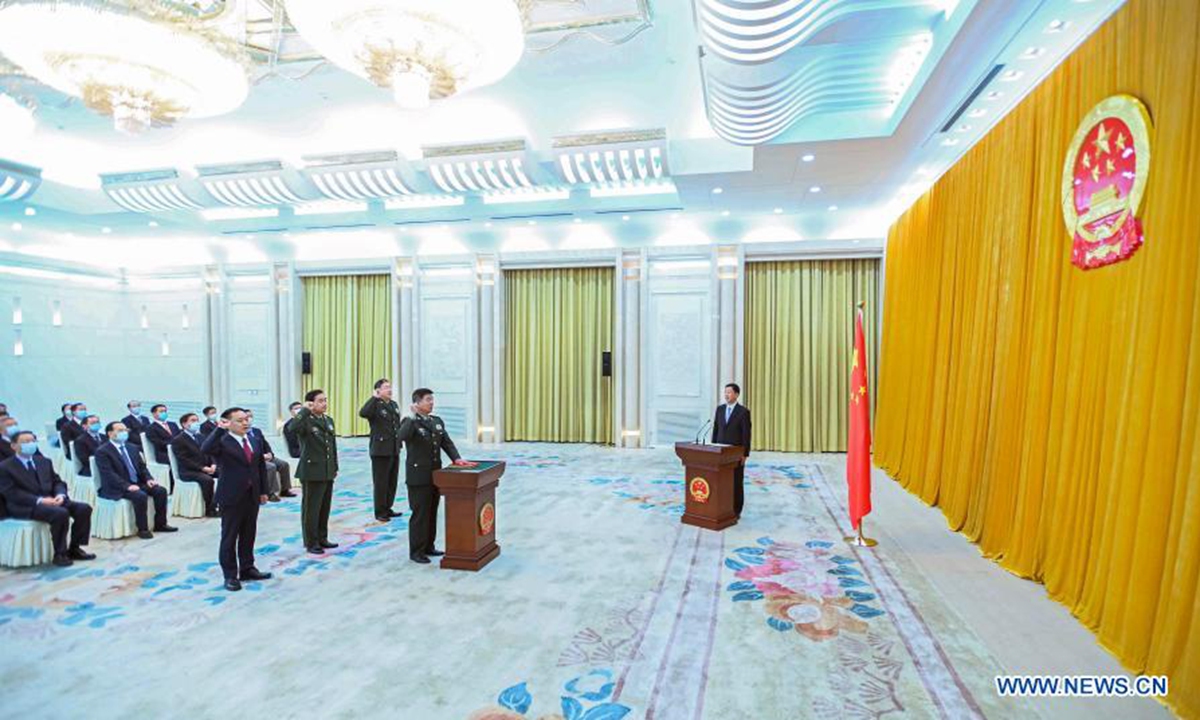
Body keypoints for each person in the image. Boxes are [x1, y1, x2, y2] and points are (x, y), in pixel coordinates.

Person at [398, 388, 474, 564]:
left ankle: (429, 546)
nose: (431, 402)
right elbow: (400, 437)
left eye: (432, 399)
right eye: (427, 400)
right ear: (416, 403)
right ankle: (416, 551)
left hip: (435, 475)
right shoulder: (410, 422)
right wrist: (411, 416)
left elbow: (446, 442)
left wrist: (457, 459)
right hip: (418, 477)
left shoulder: (436, 421)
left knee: (432, 512)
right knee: (420, 514)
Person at [201, 408, 272, 592]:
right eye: (240, 420)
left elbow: (260, 468)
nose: (246, 423)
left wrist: (264, 490)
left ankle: (247, 568)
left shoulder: (254, 440)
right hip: (231, 495)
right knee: (230, 536)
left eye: (247, 419)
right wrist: (219, 429)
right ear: (229, 423)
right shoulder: (223, 441)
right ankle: (230, 575)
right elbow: (206, 449)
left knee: (249, 534)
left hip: (252, 495)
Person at [0, 431, 95, 566]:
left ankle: (75, 548)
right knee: (60, 514)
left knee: (83, 509)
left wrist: (60, 495)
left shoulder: (43, 461)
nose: (31, 444)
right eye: (26, 442)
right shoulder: (5, 467)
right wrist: (40, 501)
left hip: (52, 500)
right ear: (14, 446)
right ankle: (60, 553)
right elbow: (11, 493)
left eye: (33, 441)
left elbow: (57, 482)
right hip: (25, 505)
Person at [95, 421, 177, 539]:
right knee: (140, 495)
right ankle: (142, 529)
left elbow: (142, 467)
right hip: (117, 486)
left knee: (161, 491)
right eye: (120, 431)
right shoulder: (103, 451)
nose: (124, 433)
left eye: (125, 430)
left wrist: (149, 479)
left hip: (136, 482)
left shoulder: (132, 447)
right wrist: (126, 486)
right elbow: (108, 474)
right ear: (110, 433)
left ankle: (161, 524)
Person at [292, 390, 338, 554]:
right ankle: (311, 542)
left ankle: (322, 537)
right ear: (310, 403)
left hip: (327, 469)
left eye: (325, 400)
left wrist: (335, 466)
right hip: (311, 470)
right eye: (320, 401)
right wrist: (304, 410)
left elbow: (332, 446)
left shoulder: (328, 420)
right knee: (311, 509)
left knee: (324, 507)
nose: (324, 403)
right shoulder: (305, 420)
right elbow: (292, 428)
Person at [359, 379, 405, 522]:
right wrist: (374, 398)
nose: (389, 390)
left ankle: (388, 507)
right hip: (380, 449)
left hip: (394, 448)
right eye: (386, 387)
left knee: (392, 481)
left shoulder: (393, 405)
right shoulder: (375, 405)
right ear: (378, 390)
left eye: (390, 387)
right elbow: (363, 413)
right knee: (381, 482)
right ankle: (380, 511)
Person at [712, 382, 752, 516]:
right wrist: (712, 448)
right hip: (720, 452)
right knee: (721, 481)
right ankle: (722, 507)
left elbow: (746, 434)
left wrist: (744, 454)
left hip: (735, 453)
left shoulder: (743, 412)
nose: (726, 395)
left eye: (729, 392)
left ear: (736, 394)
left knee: (736, 482)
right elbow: (716, 429)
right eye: (725, 392)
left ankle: (736, 510)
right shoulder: (720, 409)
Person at [170, 413, 218, 517]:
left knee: (227, 473)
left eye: (197, 420)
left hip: (206, 467)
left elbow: (210, 452)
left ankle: (224, 503)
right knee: (208, 480)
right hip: (189, 471)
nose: (196, 423)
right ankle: (210, 508)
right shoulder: (178, 440)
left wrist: (213, 464)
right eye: (192, 420)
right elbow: (184, 460)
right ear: (184, 424)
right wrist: (202, 468)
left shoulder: (201, 436)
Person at [245, 409, 294, 500]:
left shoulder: (257, 431)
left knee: (283, 464)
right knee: (271, 467)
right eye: (247, 417)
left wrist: (270, 453)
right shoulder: (242, 432)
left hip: (266, 456)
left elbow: (265, 444)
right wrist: (261, 457)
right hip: (255, 459)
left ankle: (285, 490)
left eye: (251, 416)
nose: (249, 419)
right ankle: (270, 493)